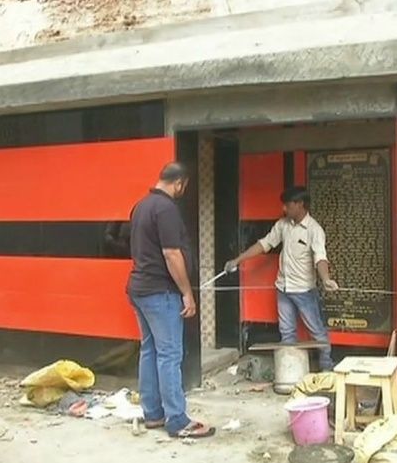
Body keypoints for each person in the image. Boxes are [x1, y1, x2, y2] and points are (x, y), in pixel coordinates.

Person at [127, 162, 215, 438]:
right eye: (183, 187)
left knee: (150, 350)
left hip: (139, 288)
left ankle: (153, 414)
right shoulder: (166, 209)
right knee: (169, 354)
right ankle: (177, 420)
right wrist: (187, 292)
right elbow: (171, 254)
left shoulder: (141, 206)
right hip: (160, 292)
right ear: (180, 183)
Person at [225, 186, 338, 371]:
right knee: (287, 334)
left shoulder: (314, 230)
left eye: (288, 205)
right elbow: (264, 244)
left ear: (300, 204)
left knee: (317, 332)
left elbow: (320, 258)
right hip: (283, 289)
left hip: (304, 291)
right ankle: (291, 373)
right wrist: (237, 260)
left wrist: (325, 279)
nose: (284, 209)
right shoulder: (283, 225)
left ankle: (327, 369)